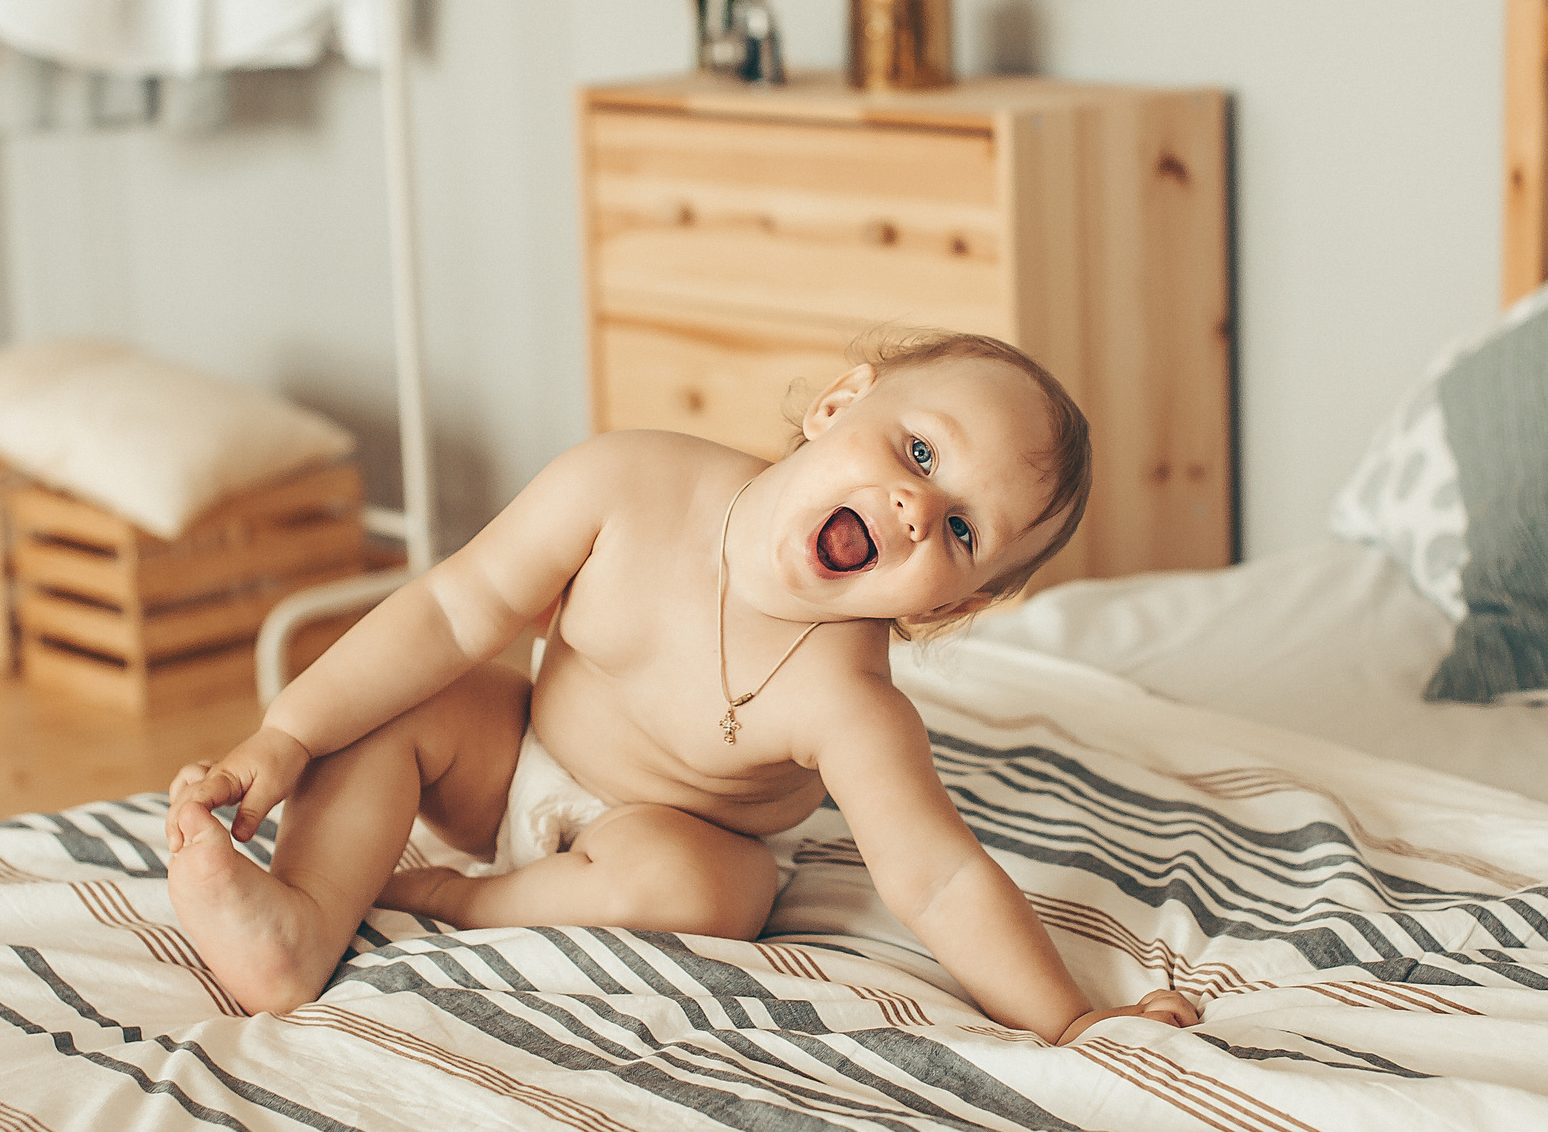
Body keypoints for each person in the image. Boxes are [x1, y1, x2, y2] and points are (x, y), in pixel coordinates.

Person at [165, 329, 1199, 1043]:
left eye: (963, 530)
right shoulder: (627, 483)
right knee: (407, 697)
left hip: (675, 834)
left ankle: (449, 898)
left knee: (709, 891)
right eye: (919, 449)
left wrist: (1068, 1019)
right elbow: (448, 610)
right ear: (838, 404)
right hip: (517, 753)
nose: (916, 505)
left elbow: (939, 880)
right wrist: (287, 736)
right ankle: (299, 921)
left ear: (944, 605)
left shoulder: (852, 705)